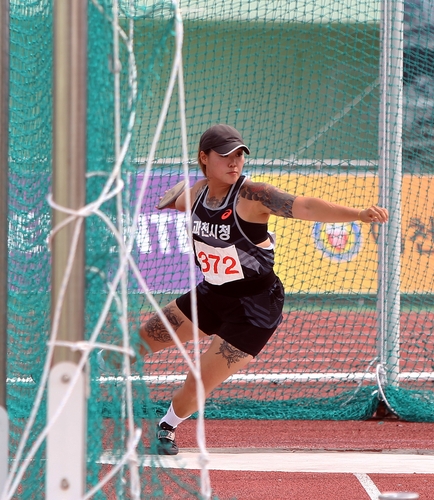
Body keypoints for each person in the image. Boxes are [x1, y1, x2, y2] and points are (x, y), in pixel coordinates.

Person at [140, 124, 389, 455]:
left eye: (240, 154)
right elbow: (176, 197)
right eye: (226, 155)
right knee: (137, 342)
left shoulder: (252, 196)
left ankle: (167, 426)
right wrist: (171, 199)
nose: (235, 162)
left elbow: (307, 207)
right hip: (211, 295)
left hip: (254, 308)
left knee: (197, 380)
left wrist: (358, 214)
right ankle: (74, 382)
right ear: (204, 158)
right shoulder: (196, 194)